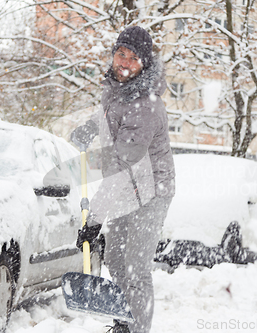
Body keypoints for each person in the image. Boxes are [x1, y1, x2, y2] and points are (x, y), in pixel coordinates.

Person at [71, 26, 176, 333]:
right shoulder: (118, 89)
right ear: (114, 54)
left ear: (145, 64)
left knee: (136, 268)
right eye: (121, 54)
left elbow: (120, 166)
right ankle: (124, 321)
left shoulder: (147, 107)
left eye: (133, 58)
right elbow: (111, 113)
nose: (125, 63)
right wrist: (91, 127)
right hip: (127, 188)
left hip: (152, 191)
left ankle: (137, 328)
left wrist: (93, 221)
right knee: (116, 260)